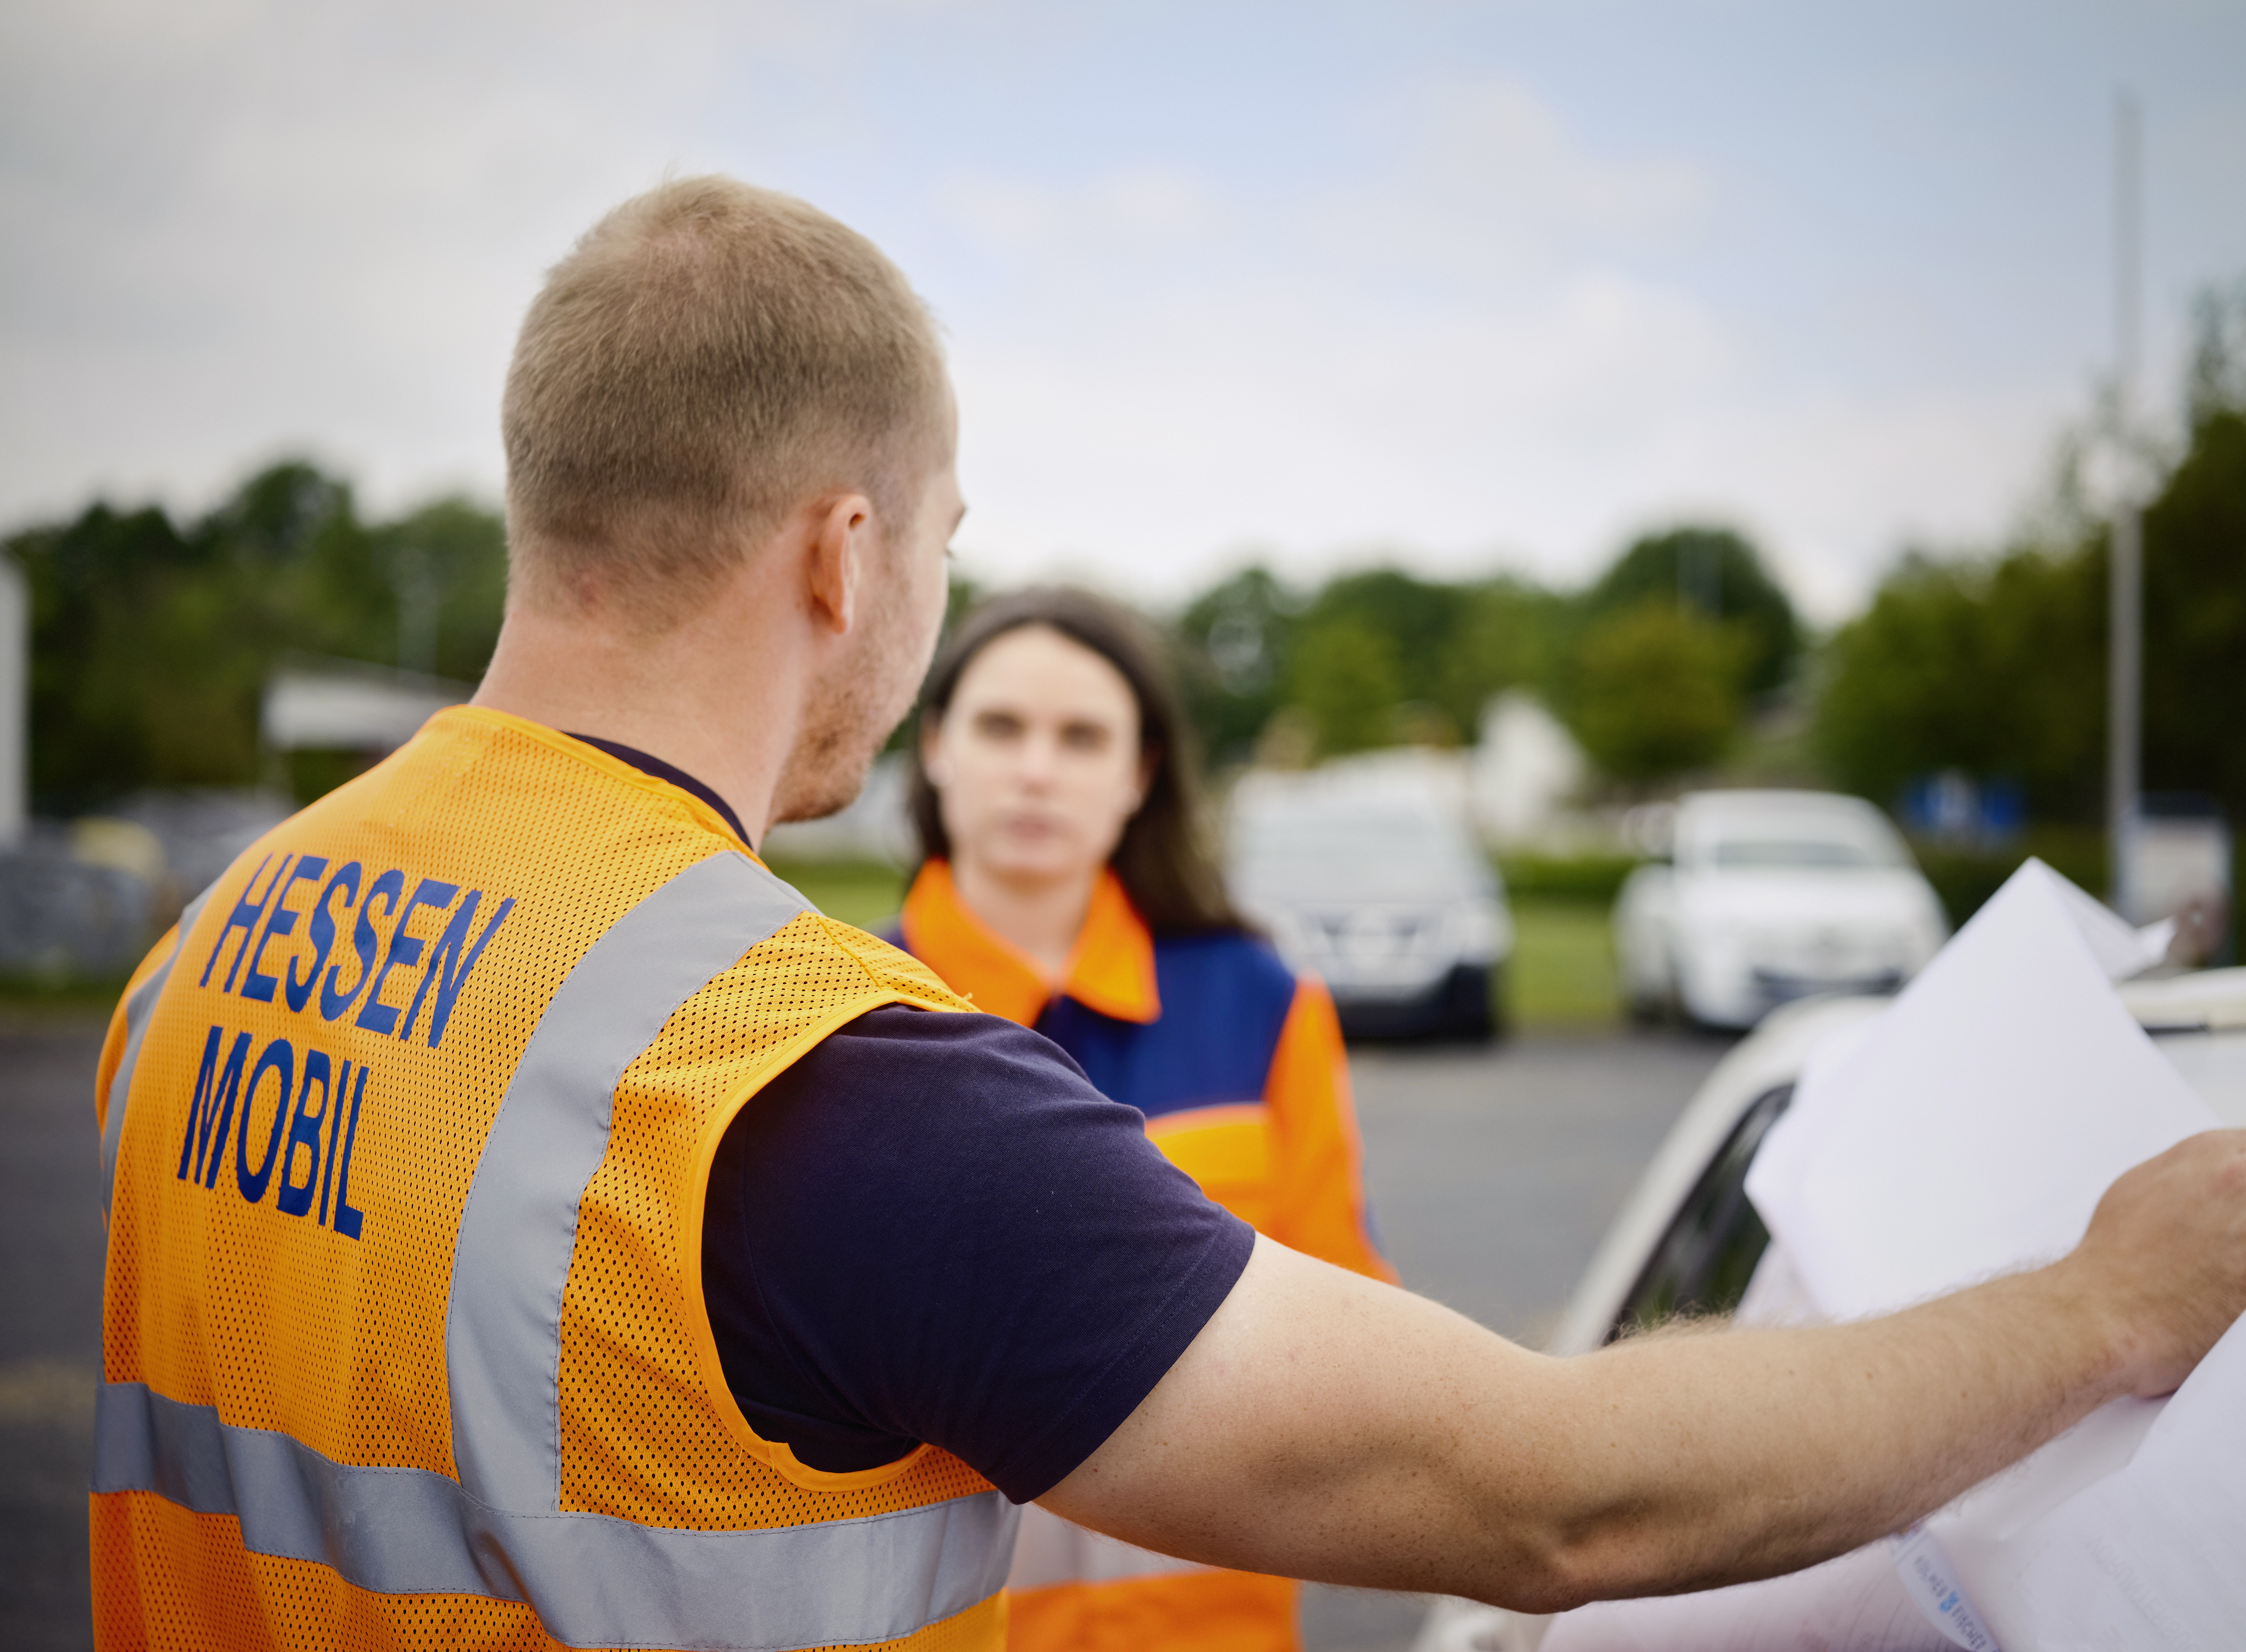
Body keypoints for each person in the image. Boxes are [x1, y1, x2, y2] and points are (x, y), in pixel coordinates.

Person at [89, 174, 2246, 1652]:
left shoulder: (207, 946)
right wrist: (2098, 1308)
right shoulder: (812, 1084)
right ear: (846, 554)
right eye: (944, 550)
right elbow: (1555, 1499)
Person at [891, 586, 1392, 1651]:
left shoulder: (1260, 1002)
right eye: (1000, 727)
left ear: (1139, 774)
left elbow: (1348, 1329)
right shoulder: (838, 1011)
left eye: (1080, 737)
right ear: (934, 749)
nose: (1036, 768)